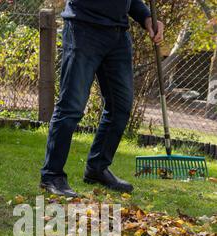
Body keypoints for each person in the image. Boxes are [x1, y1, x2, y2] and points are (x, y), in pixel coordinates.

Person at [40, 0, 164, 197]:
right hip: (83, 28)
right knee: (71, 107)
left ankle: (97, 168)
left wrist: (146, 16)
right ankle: (52, 175)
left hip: (117, 35)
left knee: (120, 107)